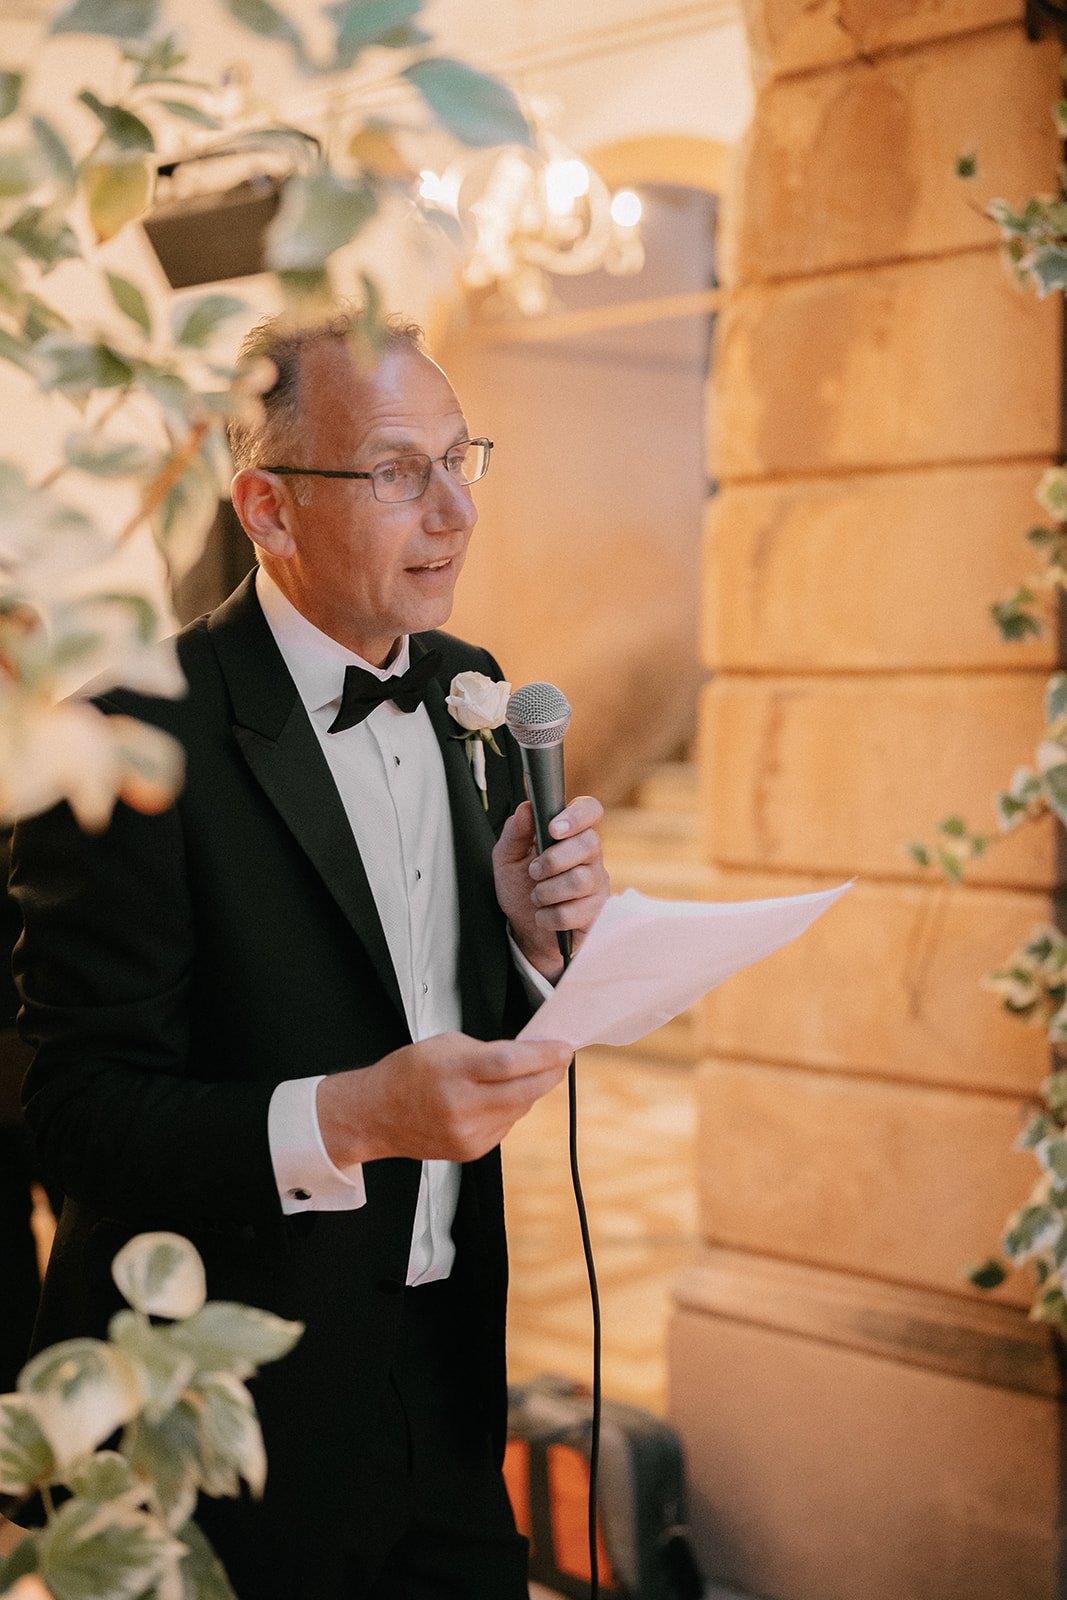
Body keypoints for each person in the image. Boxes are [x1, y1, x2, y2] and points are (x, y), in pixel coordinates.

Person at [9, 310, 610, 1599]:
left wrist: (529, 935)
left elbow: (449, 999)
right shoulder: (126, 737)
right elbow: (73, 1118)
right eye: (399, 471)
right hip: (221, 1413)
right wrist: (348, 1118)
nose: (453, 511)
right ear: (267, 510)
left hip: (444, 1370)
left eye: (464, 458)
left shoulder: (473, 689)